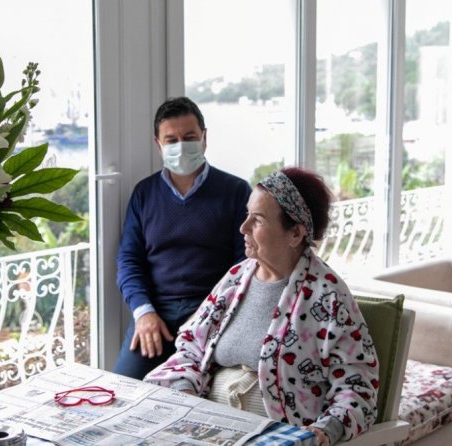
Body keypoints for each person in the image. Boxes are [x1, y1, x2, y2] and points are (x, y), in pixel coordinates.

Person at [144, 167, 379, 446]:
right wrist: (186, 395)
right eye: (247, 215)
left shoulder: (328, 297)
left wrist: (325, 430)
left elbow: (357, 388)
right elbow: (192, 347)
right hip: (208, 427)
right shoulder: (236, 278)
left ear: (295, 234)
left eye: (257, 220)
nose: (243, 228)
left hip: (276, 437)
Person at [114, 97, 251, 380]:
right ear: (158, 144)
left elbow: (246, 264)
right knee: (123, 387)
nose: (180, 146)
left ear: (204, 138)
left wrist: (212, 314)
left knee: (197, 391)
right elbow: (128, 262)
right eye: (171, 140)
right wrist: (143, 313)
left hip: (213, 312)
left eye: (189, 138)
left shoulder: (236, 191)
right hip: (156, 315)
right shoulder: (144, 194)